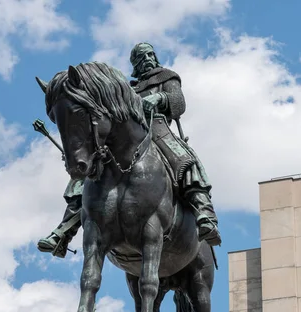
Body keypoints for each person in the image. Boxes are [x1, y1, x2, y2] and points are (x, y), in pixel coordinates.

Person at [37, 42, 221, 258]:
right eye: (142, 57)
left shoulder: (167, 77)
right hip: (124, 139)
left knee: (183, 158)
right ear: (135, 64)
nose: (148, 59)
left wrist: (160, 98)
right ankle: (65, 230)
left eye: (150, 55)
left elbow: (178, 102)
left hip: (158, 129)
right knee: (89, 169)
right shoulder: (127, 88)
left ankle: (204, 213)